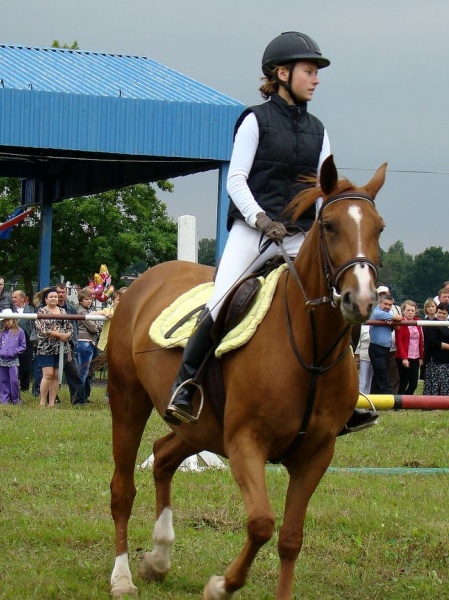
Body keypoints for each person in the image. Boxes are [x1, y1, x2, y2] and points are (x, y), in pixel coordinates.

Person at [166, 32, 374, 432]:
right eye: (309, 71)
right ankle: (186, 385)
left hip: (301, 236)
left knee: (340, 302)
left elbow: (324, 191)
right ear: (282, 73)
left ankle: (344, 400)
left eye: (316, 73)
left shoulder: (319, 129)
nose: (316, 80)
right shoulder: (253, 119)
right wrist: (261, 219)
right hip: (253, 232)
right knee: (220, 301)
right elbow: (236, 180)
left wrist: (321, 233)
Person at [35, 288, 73, 407]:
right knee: (48, 374)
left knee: (56, 376)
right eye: (51, 297)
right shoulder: (41, 311)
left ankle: (51, 403)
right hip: (46, 348)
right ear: (45, 299)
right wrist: (58, 334)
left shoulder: (63, 311)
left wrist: (66, 335)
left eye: (55, 297)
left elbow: (70, 327)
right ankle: (42, 401)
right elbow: (41, 331)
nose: (53, 299)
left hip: (60, 348)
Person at [422, 302, 449, 396]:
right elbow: (433, 342)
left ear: (448, 314)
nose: (441, 315)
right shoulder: (432, 324)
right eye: (439, 312)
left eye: (444, 313)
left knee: (448, 382)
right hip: (436, 359)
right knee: (436, 381)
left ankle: (447, 402)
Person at [55, 283, 86, 404]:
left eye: (63, 292)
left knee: (74, 373)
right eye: (58, 292)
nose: (60, 295)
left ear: (66, 292)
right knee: (52, 374)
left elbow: (75, 326)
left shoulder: (71, 307)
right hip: (53, 346)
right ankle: (52, 398)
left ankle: (78, 400)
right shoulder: (48, 307)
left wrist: (75, 341)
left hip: (69, 346)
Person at [0, 309, 26, 404]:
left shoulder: (20, 332)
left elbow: (23, 346)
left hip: (13, 360)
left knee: (14, 380)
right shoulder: (2, 333)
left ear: (13, 320)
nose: (7, 323)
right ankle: (4, 399)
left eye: (8, 320)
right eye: (5, 321)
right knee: (3, 380)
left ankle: (16, 399)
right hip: (2, 360)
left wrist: (14, 351)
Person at [77, 288, 103, 402]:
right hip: (84, 342)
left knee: (88, 372)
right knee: (83, 372)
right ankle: (79, 398)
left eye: (90, 299)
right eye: (86, 299)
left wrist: (97, 327)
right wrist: (99, 327)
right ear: (81, 301)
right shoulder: (82, 312)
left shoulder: (89, 310)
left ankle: (84, 396)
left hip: (91, 342)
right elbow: (93, 327)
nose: (89, 301)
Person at [395, 299, 423, 395]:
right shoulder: (401, 323)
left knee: (414, 383)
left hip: (415, 356)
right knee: (403, 381)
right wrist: (404, 358)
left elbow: (420, 341)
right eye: (408, 310)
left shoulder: (418, 323)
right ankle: (399, 402)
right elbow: (399, 342)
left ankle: (406, 399)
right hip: (404, 357)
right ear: (403, 311)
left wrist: (421, 357)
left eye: (412, 310)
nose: (410, 312)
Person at [11, 290, 36, 392]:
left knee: (26, 365)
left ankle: (25, 386)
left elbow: (34, 325)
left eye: (15, 297)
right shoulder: (9, 310)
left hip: (27, 340)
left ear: (23, 298)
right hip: (12, 340)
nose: (13, 299)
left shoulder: (31, 310)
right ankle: (12, 384)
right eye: (13, 297)